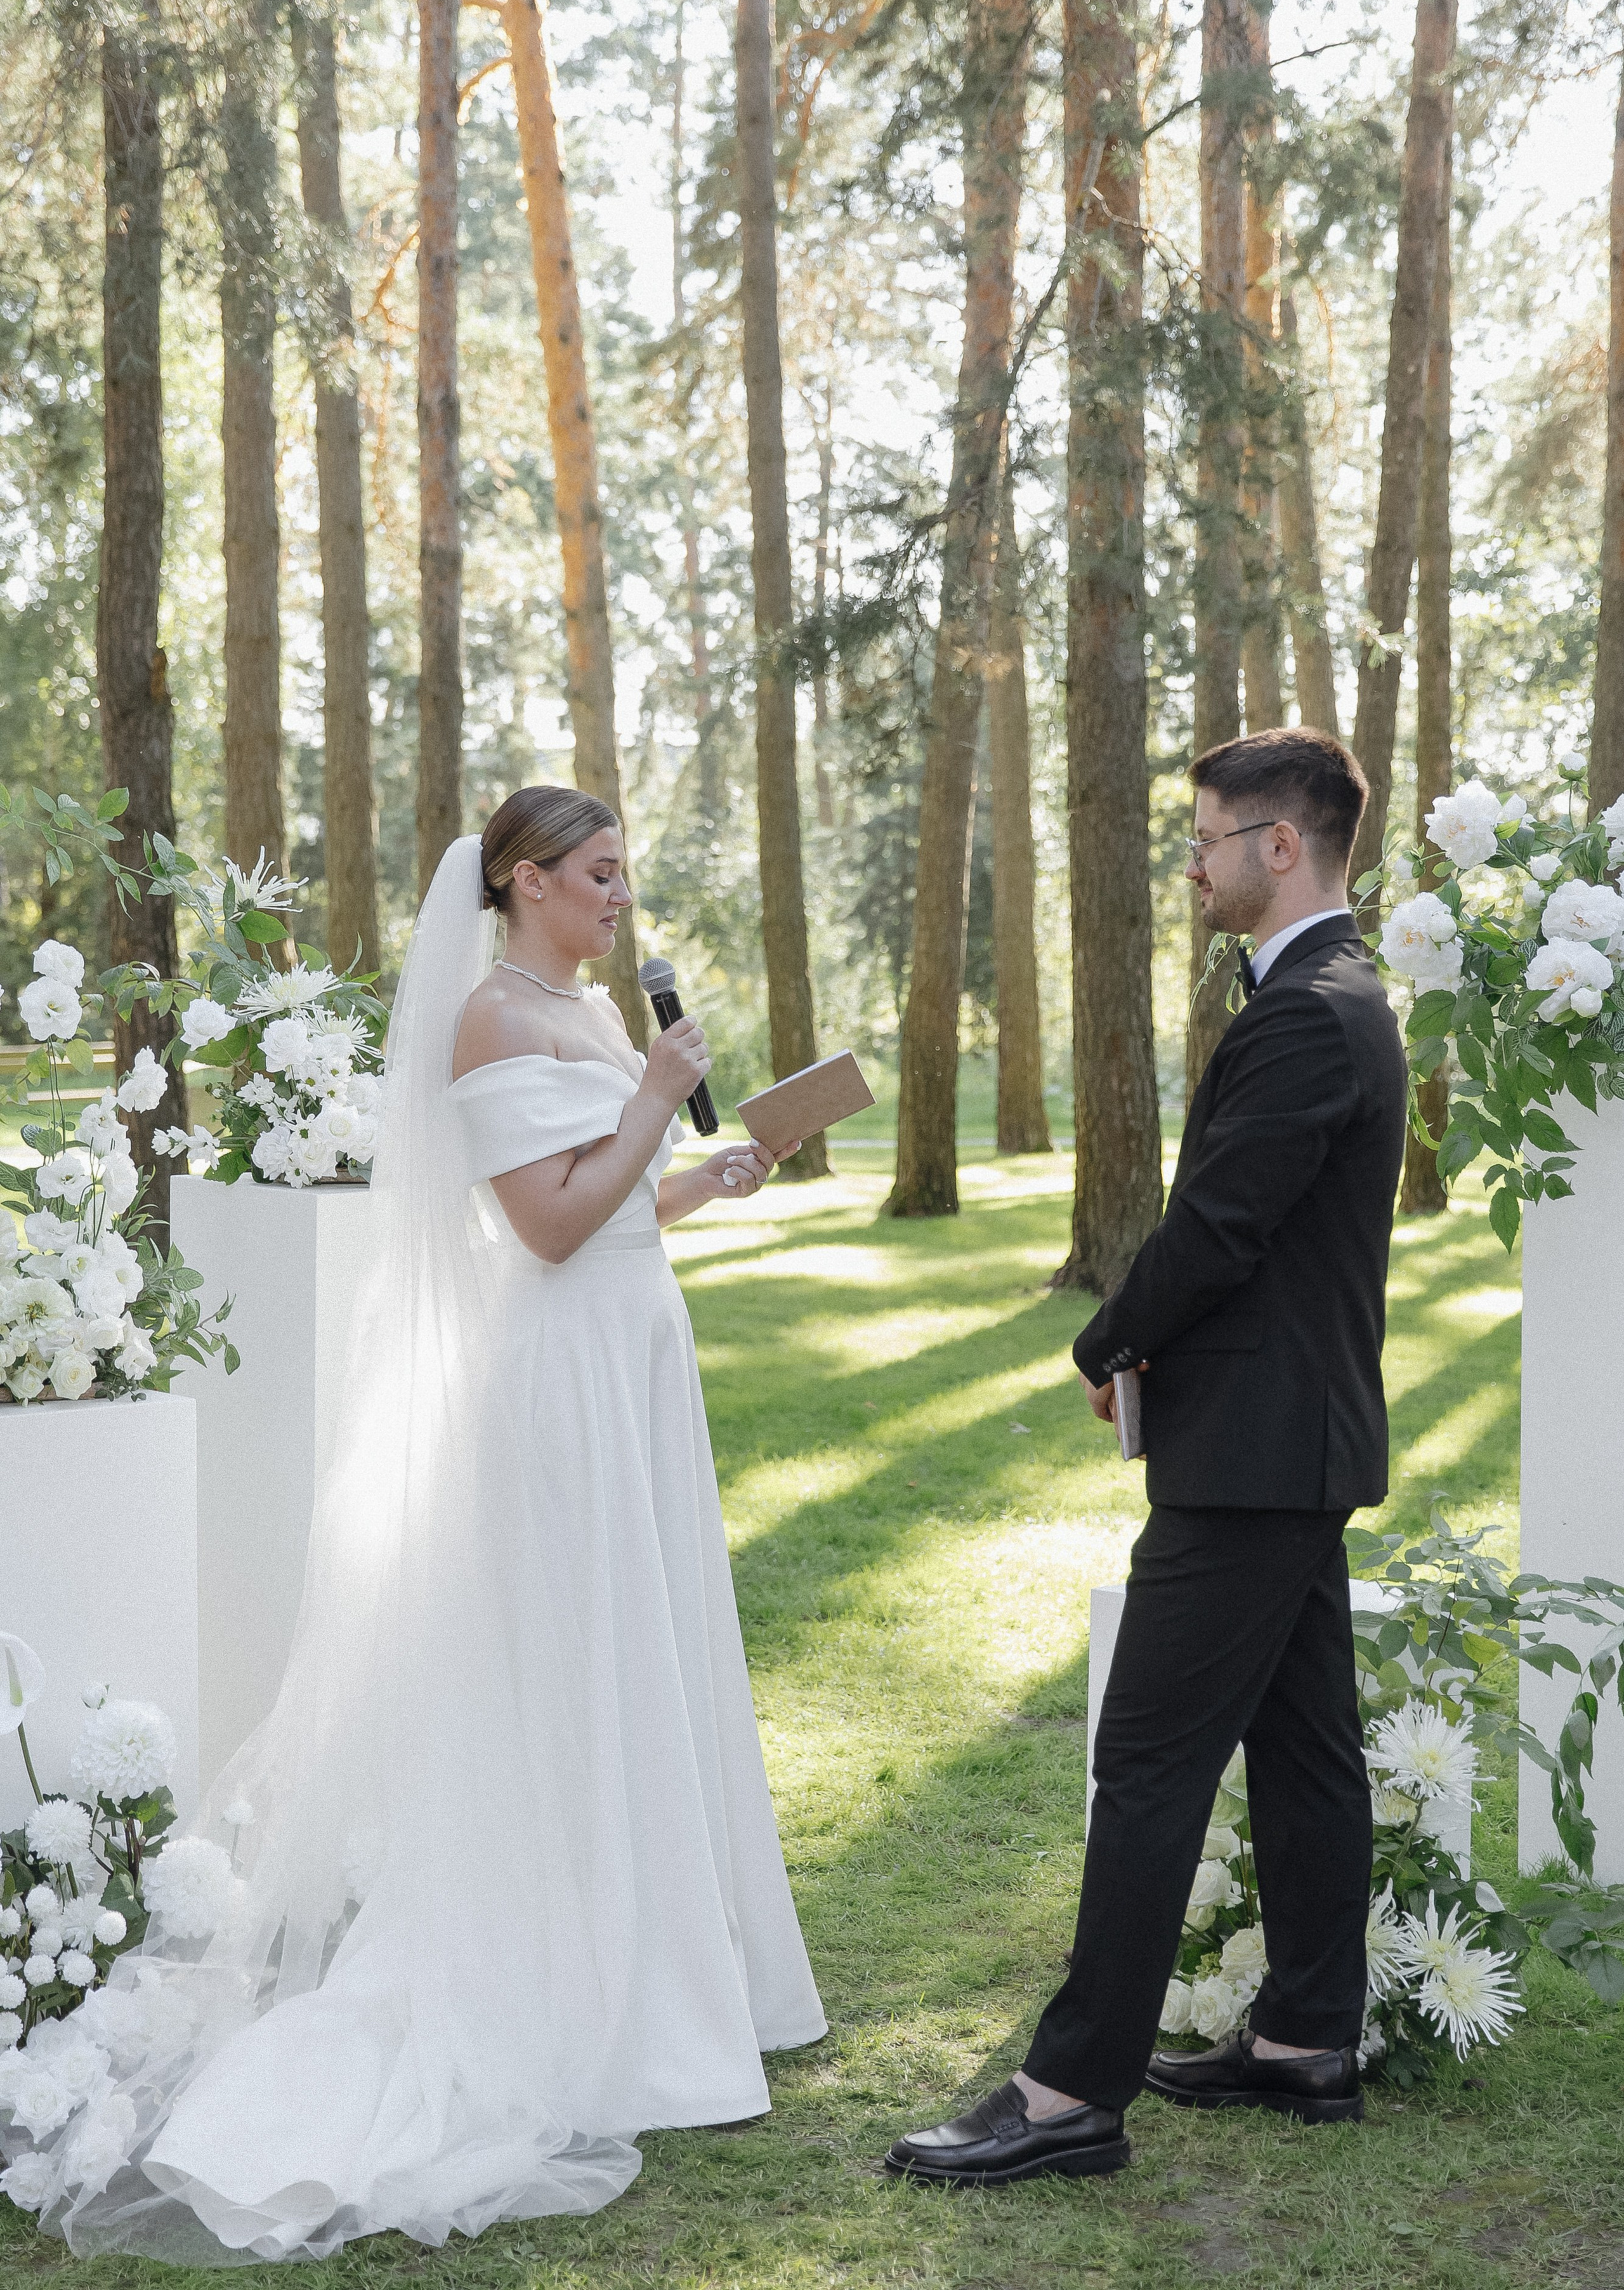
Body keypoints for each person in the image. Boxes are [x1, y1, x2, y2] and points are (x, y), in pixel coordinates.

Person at [18, 790, 825, 2261]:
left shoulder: (588, 1016)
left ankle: (663, 1955)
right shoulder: (491, 1021)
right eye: (596, 874)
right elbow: (544, 1226)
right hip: (561, 1377)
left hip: (634, 1356)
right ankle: (583, 1979)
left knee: (639, 1646)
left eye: (622, 874)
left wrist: (700, 1173)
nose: (619, 896)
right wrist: (657, 1097)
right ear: (522, 882)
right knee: (577, 1660)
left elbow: (613, 1203)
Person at [887, 727, 1406, 2188]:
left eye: (1207, 837)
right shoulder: (1330, 994)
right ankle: (1304, 2038)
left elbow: (1219, 1227)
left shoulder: (1308, 1012)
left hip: (1253, 1454)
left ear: (1280, 846)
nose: (1190, 863)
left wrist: (1106, 1341)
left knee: (1145, 1760)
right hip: (1286, 1445)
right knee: (1303, 1751)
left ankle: (1067, 2093)